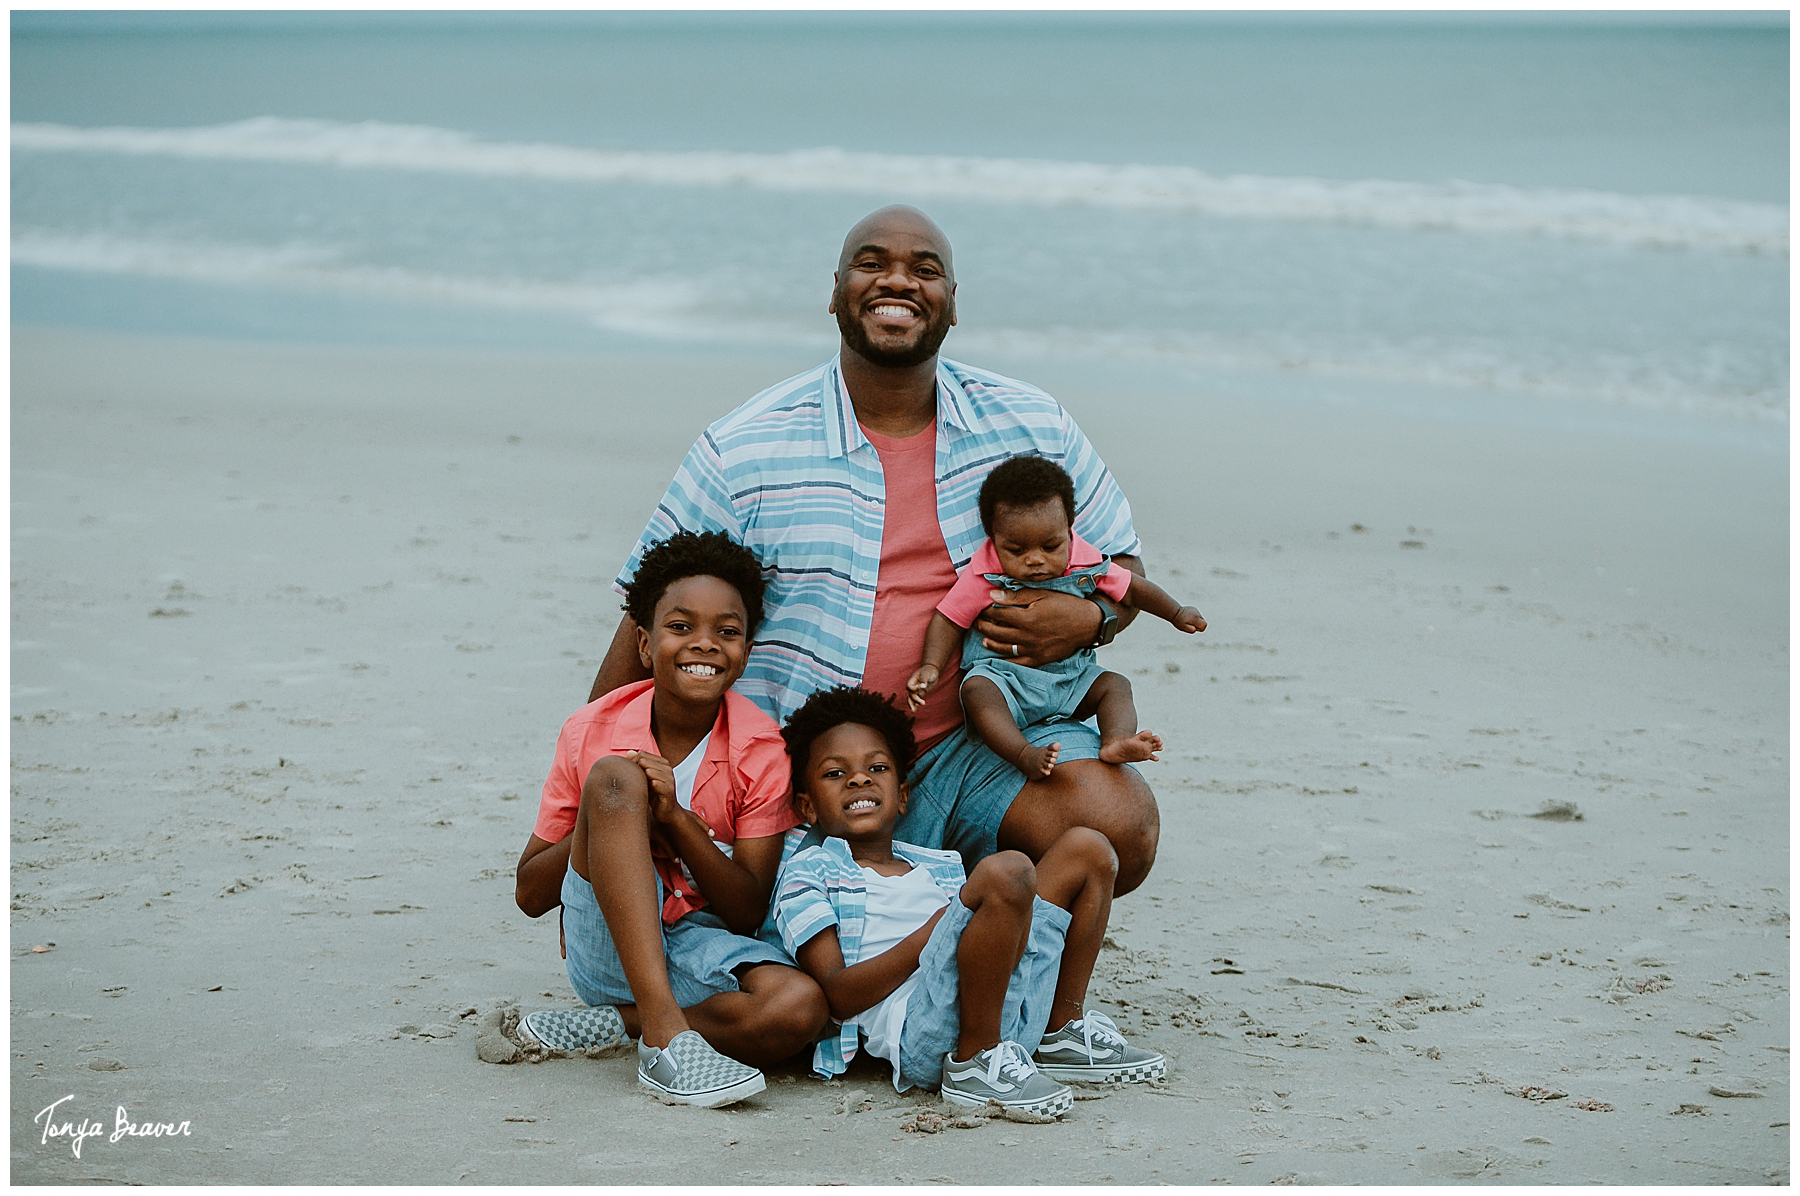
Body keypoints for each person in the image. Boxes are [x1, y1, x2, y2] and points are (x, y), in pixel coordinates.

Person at [587, 204, 1166, 893]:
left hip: (982, 748)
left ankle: (982, 930)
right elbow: (645, 617)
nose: (899, 281)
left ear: (952, 306)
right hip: (804, 768)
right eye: (872, 264)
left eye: (925, 271)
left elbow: (1122, 566)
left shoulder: (1032, 424)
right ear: (834, 293)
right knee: (797, 987)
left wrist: (1094, 617)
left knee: (1118, 822)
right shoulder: (743, 449)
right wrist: (587, 808)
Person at [513, 531, 827, 1108]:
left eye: (726, 632)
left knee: (799, 1007)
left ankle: (624, 1025)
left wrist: (675, 819)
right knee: (615, 779)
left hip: (698, 946)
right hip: (607, 944)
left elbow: (746, 910)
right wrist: (611, 819)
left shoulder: (762, 749)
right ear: (644, 642)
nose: (703, 645)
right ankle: (664, 1039)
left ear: (747, 650)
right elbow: (531, 893)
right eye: (681, 627)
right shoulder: (590, 731)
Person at [772, 686, 1165, 1113]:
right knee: (1006, 872)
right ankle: (974, 1062)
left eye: (878, 767)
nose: (859, 779)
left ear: (903, 796)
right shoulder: (809, 873)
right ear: (807, 807)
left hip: (1006, 1009)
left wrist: (956, 921)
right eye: (835, 774)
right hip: (926, 1037)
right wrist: (939, 929)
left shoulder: (937, 865)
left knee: (1087, 849)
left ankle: (1058, 1028)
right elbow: (838, 996)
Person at [907, 454, 1207, 778]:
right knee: (976, 690)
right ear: (993, 538)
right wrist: (931, 666)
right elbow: (949, 619)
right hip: (1008, 684)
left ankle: (1116, 739)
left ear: (1069, 529)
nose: (1035, 560)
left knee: (1114, 685)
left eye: (1050, 546)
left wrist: (1176, 612)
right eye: (1017, 550)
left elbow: (1133, 588)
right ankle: (1023, 754)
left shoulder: (1086, 561)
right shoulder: (984, 573)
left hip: (1070, 680)